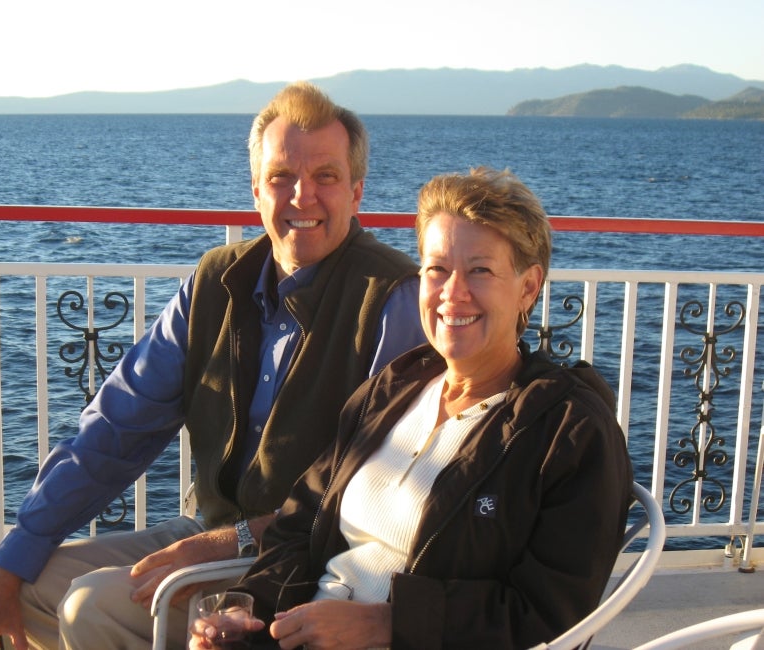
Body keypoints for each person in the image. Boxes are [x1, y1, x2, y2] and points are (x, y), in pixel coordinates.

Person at [0, 81, 427, 650]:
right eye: (281, 177)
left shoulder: (392, 297)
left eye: (325, 177)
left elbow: (376, 490)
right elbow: (114, 428)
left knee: (90, 607)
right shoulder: (215, 283)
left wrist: (230, 543)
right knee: (32, 585)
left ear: (357, 193)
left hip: (307, 557)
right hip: (211, 529)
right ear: (256, 189)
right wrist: (9, 565)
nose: (302, 196)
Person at [191, 167, 634, 650]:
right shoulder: (398, 387)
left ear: (528, 287)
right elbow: (303, 519)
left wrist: (385, 623)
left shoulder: (569, 432)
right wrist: (246, 607)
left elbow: (553, 615)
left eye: (480, 270)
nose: (452, 292)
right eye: (437, 269)